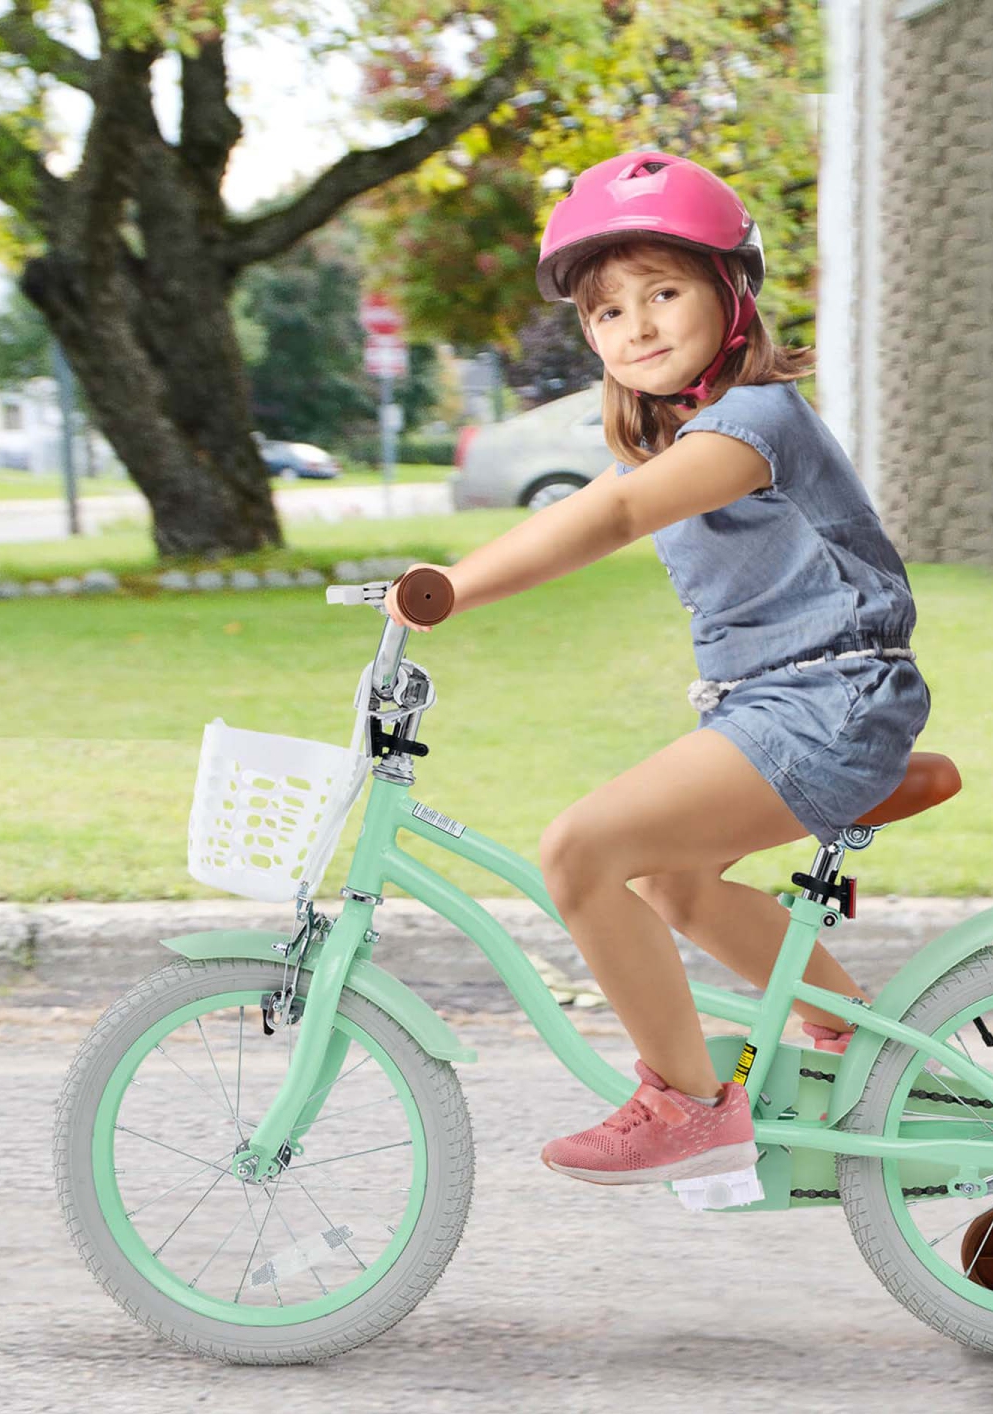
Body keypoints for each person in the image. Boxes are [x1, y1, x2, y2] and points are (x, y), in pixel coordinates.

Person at [385, 149, 931, 1192]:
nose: (634, 325)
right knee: (668, 880)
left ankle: (688, 1105)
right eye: (606, 312)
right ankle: (860, 1048)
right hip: (782, 703)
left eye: (663, 292)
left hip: (833, 702)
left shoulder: (758, 421)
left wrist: (454, 585)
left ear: (733, 296)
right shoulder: (682, 435)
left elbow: (617, 515)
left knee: (581, 851)